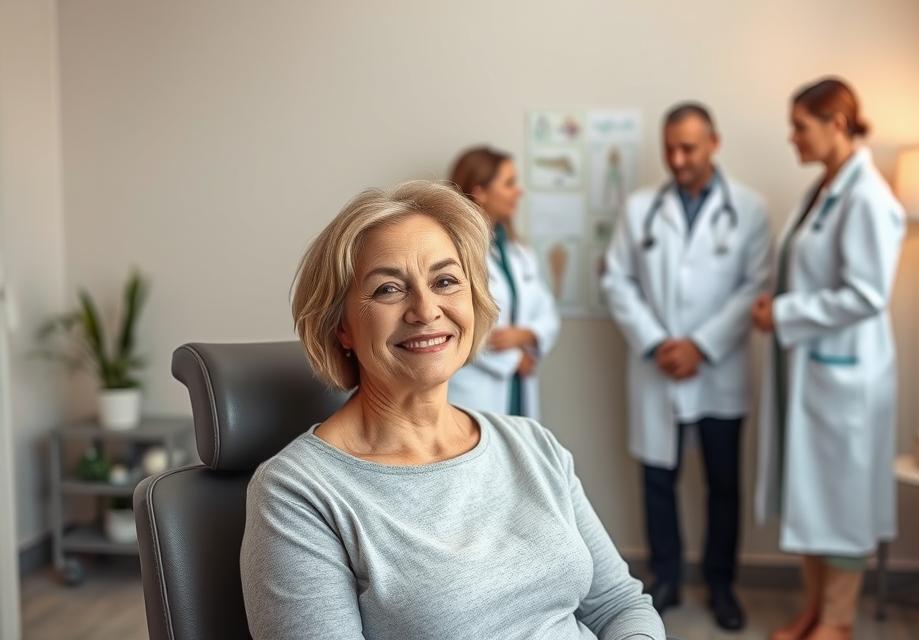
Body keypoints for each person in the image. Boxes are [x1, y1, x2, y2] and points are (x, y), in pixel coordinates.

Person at [240, 181, 664, 640]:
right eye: (387, 289)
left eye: (445, 281)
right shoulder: (298, 493)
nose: (426, 309)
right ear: (341, 327)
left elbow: (620, 605)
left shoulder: (532, 445)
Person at [601, 102, 772, 630]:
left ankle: (722, 584)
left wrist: (700, 345)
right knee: (658, 480)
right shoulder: (640, 208)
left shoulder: (750, 208)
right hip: (658, 367)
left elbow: (755, 286)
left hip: (718, 369)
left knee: (723, 484)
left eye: (688, 148)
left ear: (714, 143)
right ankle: (667, 577)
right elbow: (616, 281)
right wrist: (657, 344)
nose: (677, 159)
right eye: (669, 148)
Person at [752, 78, 905, 640]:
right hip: (810, 369)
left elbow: (868, 294)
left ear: (837, 122)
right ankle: (815, 609)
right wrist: (778, 307)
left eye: (800, 126)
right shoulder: (825, 188)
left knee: (839, 500)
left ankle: (837, 621)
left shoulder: (869, 197)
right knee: (811, 494)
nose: (792, 138)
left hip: (846, 378)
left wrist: (785, 314)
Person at [446, 146, 561, 418]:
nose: (518, 192)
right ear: (481, 192)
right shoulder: (453, 251)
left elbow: (548, 313)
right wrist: (512, 359)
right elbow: (454, 324)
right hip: (474, 389)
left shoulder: (518, 252)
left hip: (519, 385)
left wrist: (528, 334)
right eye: (509, 183)